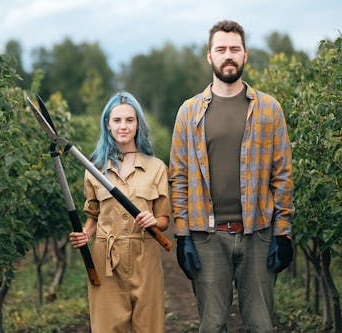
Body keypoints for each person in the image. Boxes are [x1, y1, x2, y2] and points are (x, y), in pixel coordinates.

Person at [169, 20, 294, 333]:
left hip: (259, 235)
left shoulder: (268, 109)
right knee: (212, 325)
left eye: (234, 49)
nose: (228, 55)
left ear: (245, 55)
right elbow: (180, 176)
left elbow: (282, 175)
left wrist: (283, 232)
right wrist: (183, 234)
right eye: (221, 49)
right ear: (209, 56)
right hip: (207, 237)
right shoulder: (189, 112)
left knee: (262, 325)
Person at [69, 91, 171, 333]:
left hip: (144, 255)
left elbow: (165, 220)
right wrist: (85, 234)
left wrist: (153, 220)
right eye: (117, 120)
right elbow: (93, 216)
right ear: (108, 124)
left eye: (129, 120)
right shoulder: (94, 169)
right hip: (105, 257)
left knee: (149, 326)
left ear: (138, 125)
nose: (123, 126)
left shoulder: (156, 168)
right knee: (106, 327)